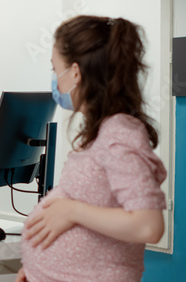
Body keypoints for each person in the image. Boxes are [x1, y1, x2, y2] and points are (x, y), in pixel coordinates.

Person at [16, 15, 166, 282]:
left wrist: (71, 211)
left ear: (75, 72)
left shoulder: (119, 133)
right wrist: (36, 270)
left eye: (55, 69)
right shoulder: (104, 131)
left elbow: (148, 225)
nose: (54, 79)